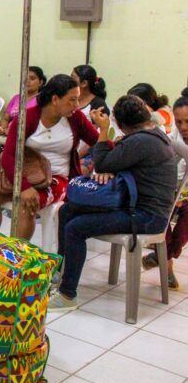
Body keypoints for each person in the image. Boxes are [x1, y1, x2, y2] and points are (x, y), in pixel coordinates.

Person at [49, 95, 178, 311]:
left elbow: (103, 161)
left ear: (120, 124)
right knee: (68, 211)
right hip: (136, 206)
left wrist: (102, 130)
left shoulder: (141, 141)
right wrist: (108, 167)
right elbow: (111, 163)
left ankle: (67, 295)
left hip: (146, 217)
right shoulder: (152, 134)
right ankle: (61, 274)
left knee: (75, 228)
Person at [0, 74, 98, 240]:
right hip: (25, 176)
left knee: (26, 204)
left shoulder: (76, 118)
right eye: (72, 100)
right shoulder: (27, 117)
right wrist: (24, 186)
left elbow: (96, 142)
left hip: (58, 177)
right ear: (55, 99)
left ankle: (17, 255)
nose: (76, 105)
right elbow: (8, 155)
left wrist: (105, 130)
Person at [142, 87, 188, 289]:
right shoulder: (170, 137)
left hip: (184, 195)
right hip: (166, 192)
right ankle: (166, 264)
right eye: (179, 122)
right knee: (161, 216)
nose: (183, 127)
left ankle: (163, 256)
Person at [0, 66, 46, 178]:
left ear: (41, 82)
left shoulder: (42, 100)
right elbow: (6, 118)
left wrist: (14, 131)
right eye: (25, 78)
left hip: (25, 140)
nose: (27, 81)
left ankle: (8, 185)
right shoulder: (17, 98)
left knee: (4, 157)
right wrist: (3, 129)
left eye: (32, 78)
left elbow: (40, 123)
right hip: (7, 138)